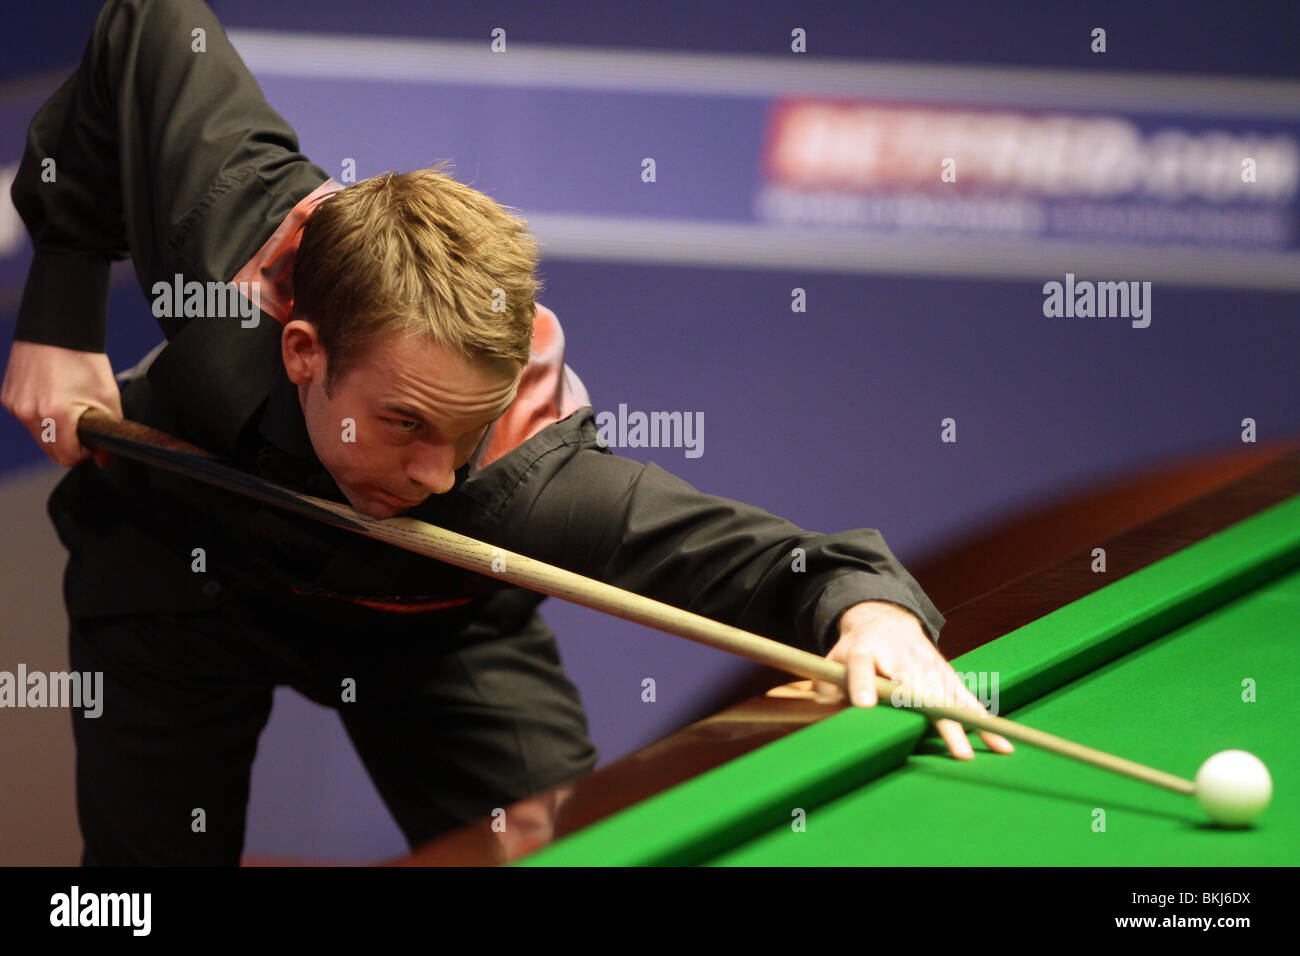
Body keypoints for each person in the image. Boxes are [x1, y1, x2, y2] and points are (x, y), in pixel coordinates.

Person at [2, 0, 1010, 866]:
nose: (436, 473)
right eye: (403, 421)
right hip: (183, 554)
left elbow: (761, 562)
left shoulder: (526, 480)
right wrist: (57, 311)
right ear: (303, 350)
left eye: (462, 428)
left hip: (428, 628)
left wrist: (870, 613)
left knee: (568, 861)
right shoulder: (236, 248)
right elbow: (148, 26)